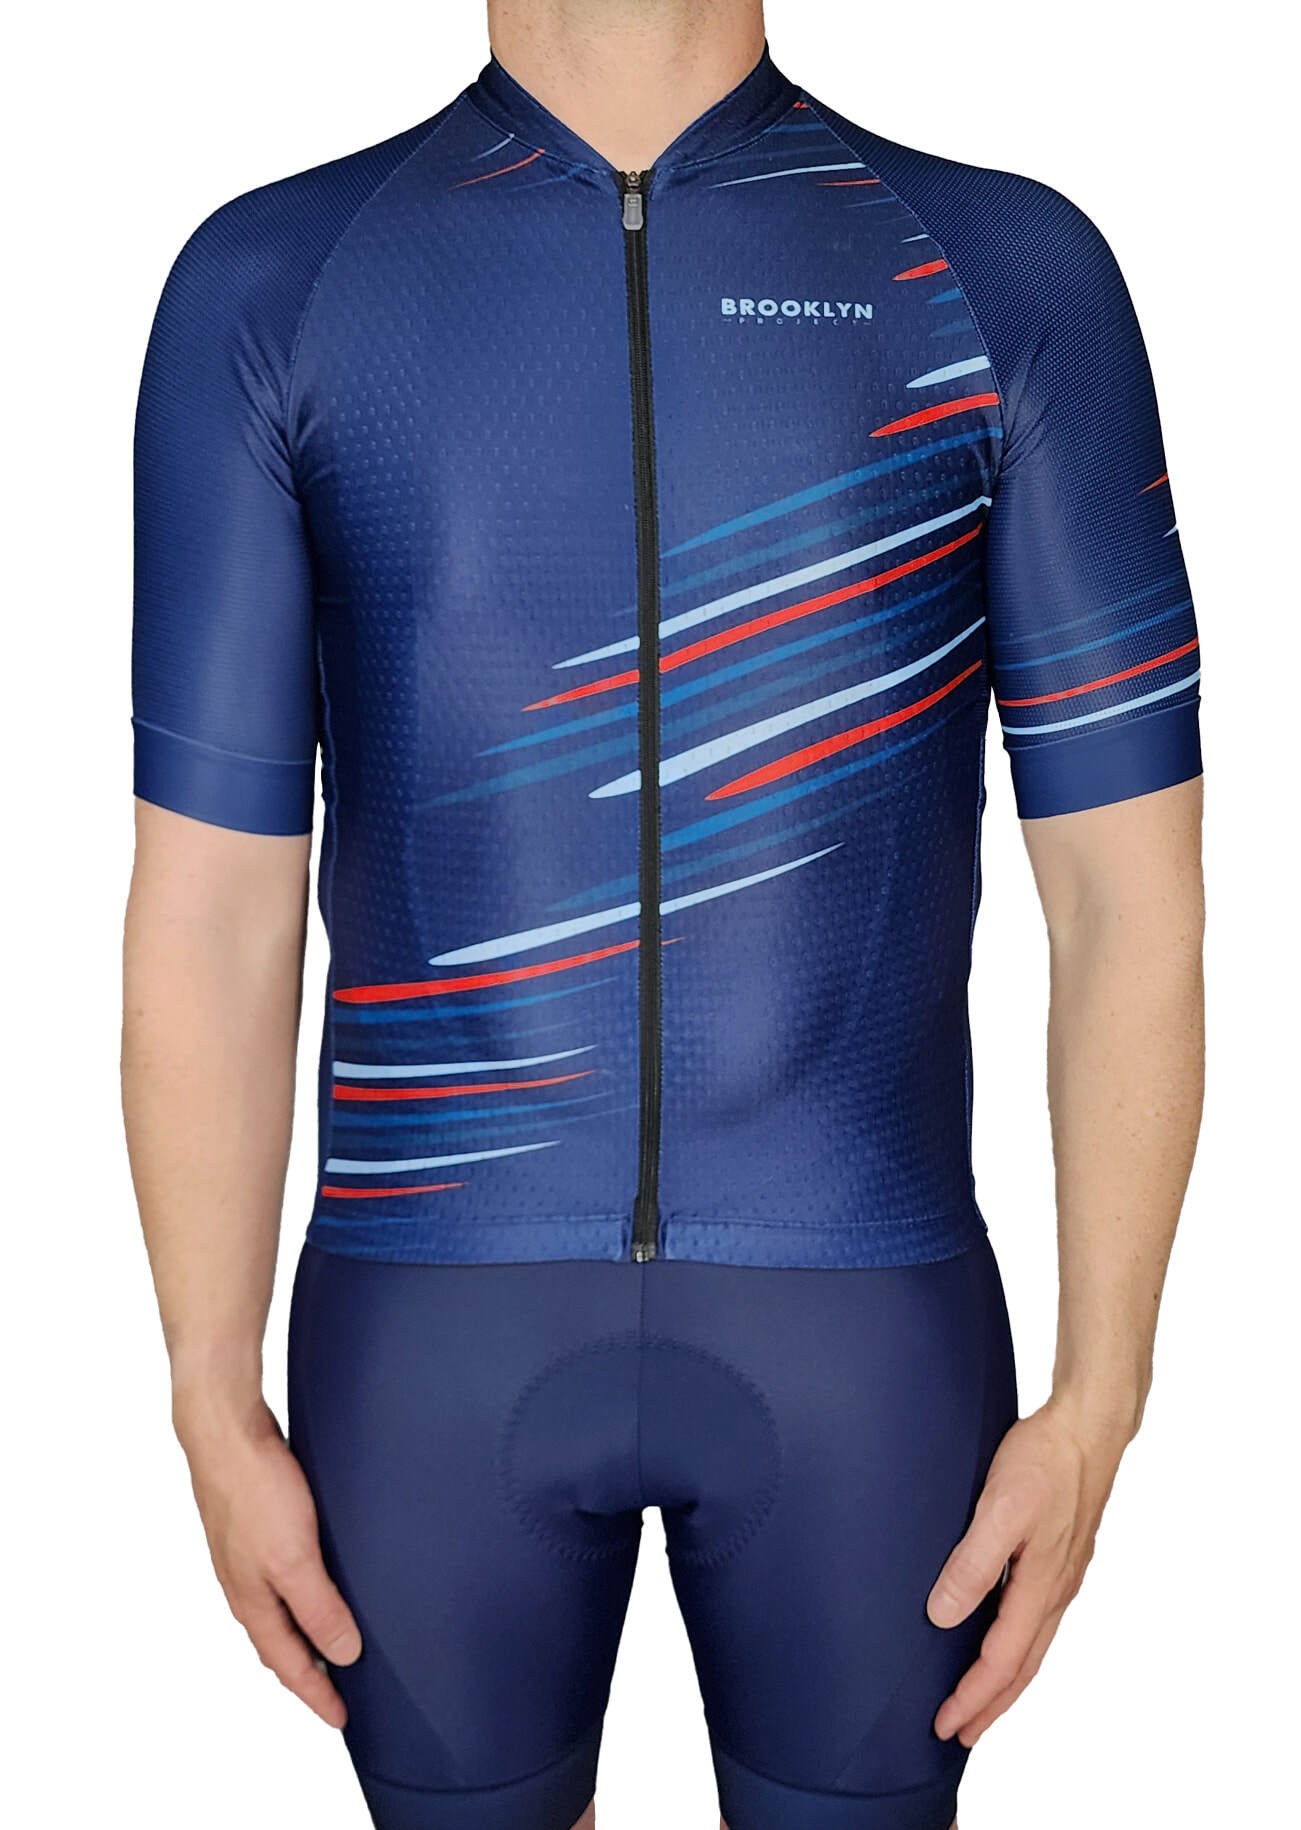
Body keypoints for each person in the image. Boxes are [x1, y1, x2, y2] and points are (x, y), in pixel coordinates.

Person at [122, 1, 1205, 1825]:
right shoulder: (274, 284)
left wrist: (1102, 1398)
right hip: (431, 1328)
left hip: (864, 1324)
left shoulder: (1006, 276)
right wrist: (204, 1389)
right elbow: (214, 898)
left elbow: (1127, 892)